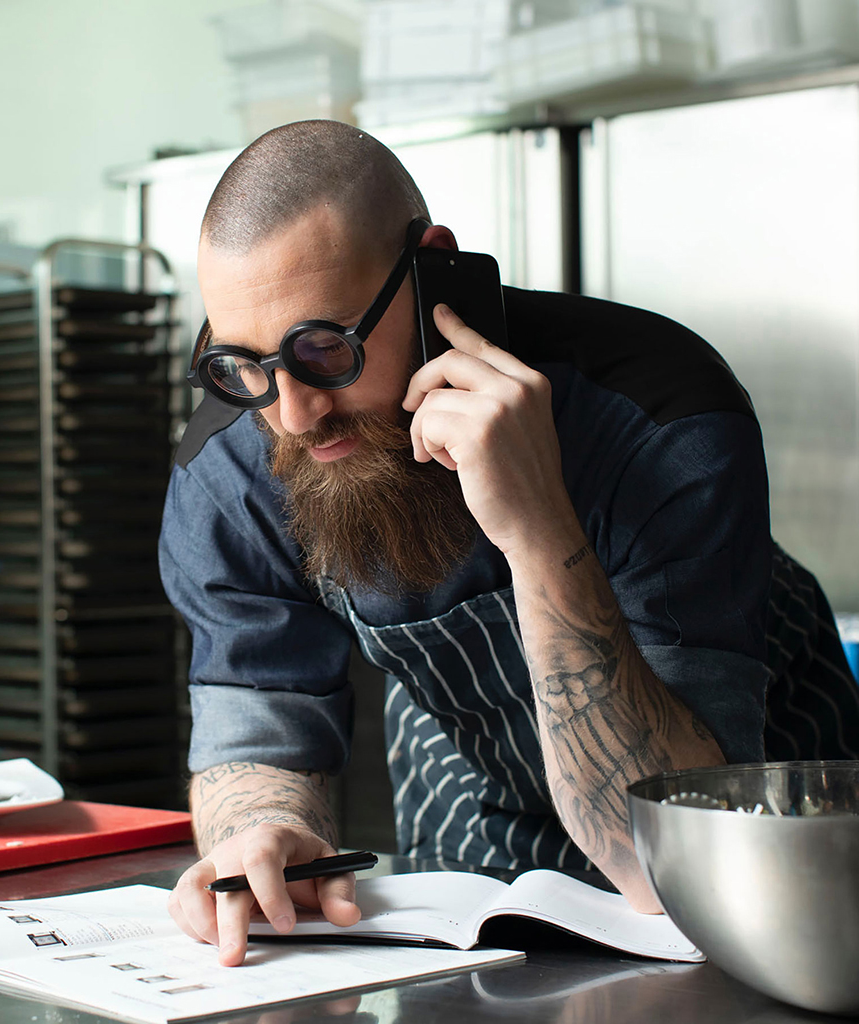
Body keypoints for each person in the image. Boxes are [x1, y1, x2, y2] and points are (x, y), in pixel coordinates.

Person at [160, 120, 859, 966]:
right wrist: (264, 834)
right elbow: (256, 714)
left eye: (324, 349)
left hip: (756, 807)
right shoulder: (233, 457)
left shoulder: (660, 410)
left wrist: (536, 532)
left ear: (432, 265)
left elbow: (668, 868)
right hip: (475, 805)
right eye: (240, 362)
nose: (293, 414)